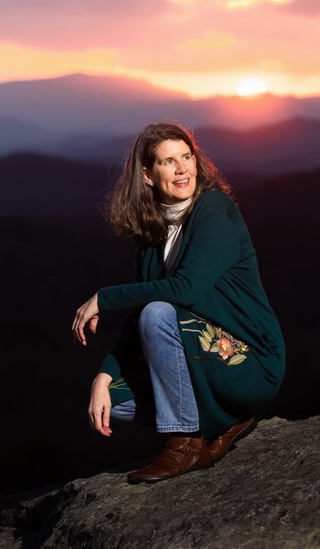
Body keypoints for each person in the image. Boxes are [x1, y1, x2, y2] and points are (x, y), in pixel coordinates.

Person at [71, 121, 284, 484]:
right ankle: (225, 422)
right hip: (201, 354)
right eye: (169, 162)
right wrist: (103, 377)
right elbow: (136, 323)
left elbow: (184, 290)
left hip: (250, 361)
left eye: (187, 157)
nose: (183, 168)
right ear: (148, 176)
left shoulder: (214, 211)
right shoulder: (152, 239)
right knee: (117, 402)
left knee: (158, 312)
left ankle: (185, 441)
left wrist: (105, 297)